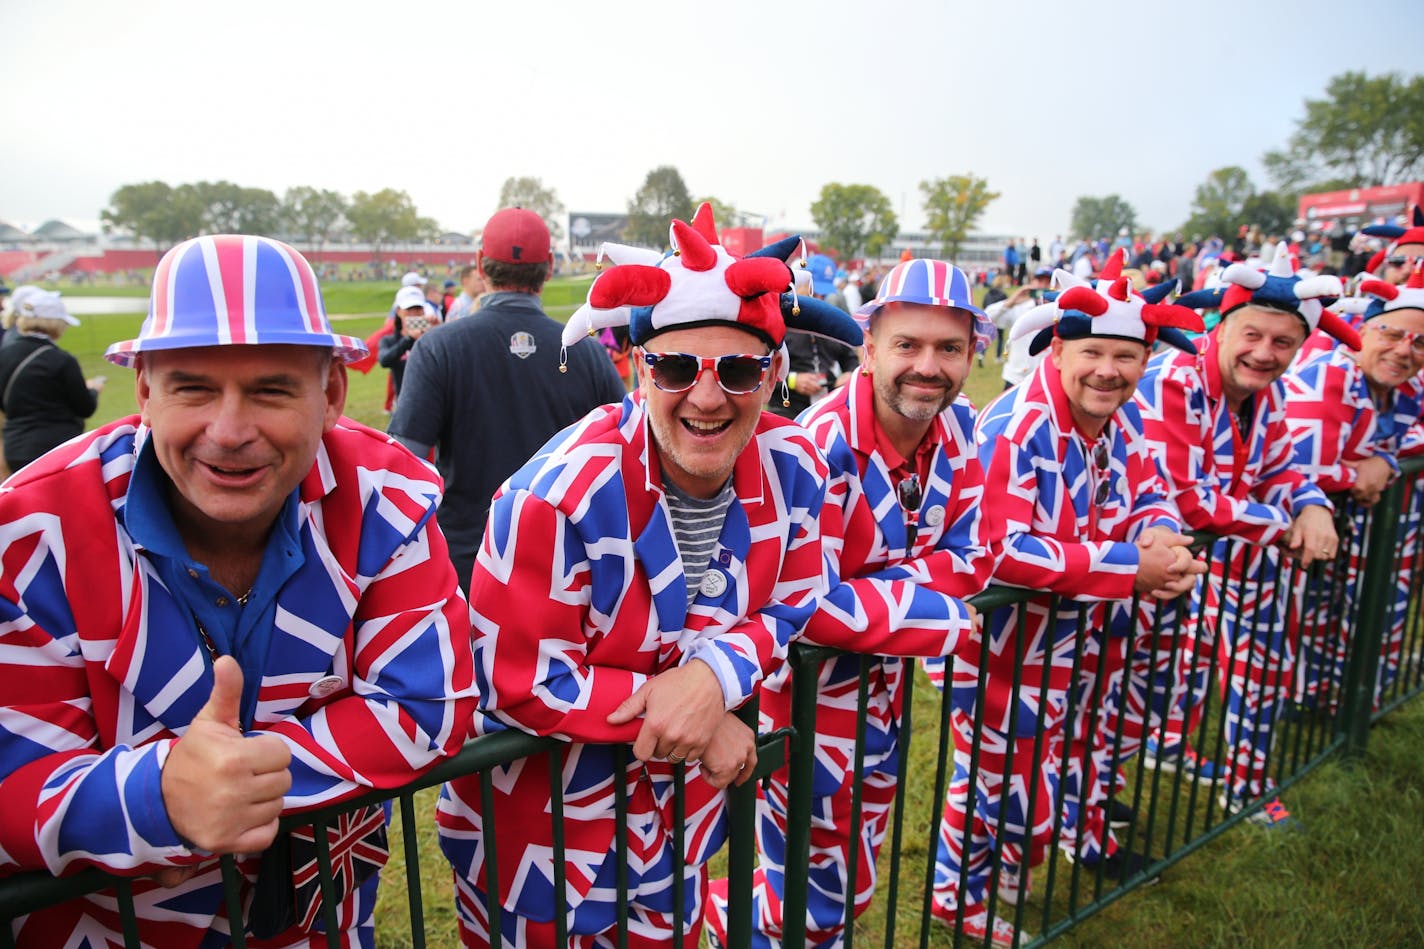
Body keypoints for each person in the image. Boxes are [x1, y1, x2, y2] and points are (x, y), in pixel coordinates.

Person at [0, 234, 476, 948]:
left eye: (270, 390)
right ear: (145, 393)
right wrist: (157, 796)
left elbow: (430, 703)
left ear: (332, 395)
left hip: (326, 923)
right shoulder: (35, 528)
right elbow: (13, 772)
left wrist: (212, 789)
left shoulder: (389, 500)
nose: (228, 431)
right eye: (193, 386)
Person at [436, 203, 865, 947]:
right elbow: (519, 677)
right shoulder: (555, 496)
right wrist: (701, 724)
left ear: (773, 375)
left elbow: (795, 603)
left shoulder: (798, 468)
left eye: (737, 369)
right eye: (675, 366)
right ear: (637, 366)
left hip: (678, 837)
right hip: (544, 845)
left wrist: (715, 678)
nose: (706, 397)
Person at [706, 258, 998, 947]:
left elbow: (975, 555)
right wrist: (944, 615)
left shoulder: (959, 432)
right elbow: (804, 601)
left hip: (884, 706)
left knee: (844, 887)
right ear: (868, 349)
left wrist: (879, 600)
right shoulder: (818, 448)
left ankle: (722, 918)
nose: (928, 366)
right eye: (908, 344)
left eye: (948, 348)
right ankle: (709, 923)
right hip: (803, 711)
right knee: (810, 904)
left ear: (971, 355)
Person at [927, 270, 1204, 946]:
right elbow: (1000, 552)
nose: (1108, 371)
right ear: (1057, 351)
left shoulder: (1124, 418)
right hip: (1000, 652)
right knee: (996, 786)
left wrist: (1161, 531)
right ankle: (952, 895)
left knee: (1052, 771)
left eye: (1126, 356)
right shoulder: (1015, 425)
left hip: (1081, 645)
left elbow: (1152, 490)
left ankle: (1003, 874)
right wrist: (1126, 568)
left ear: (1147, 359)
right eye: (1093, 353)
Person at [1127, 242, 1355, 827]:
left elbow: (1284, 466)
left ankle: (1185, 753)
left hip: (1227, 555)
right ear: (1221, 328)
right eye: (1252, 335)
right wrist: (1287, 524)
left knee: (1224, 658)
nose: (1264, 353)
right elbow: (1192, 502)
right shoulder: (1176, 380)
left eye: (1283, 343)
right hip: (1154, 554)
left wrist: (1313, 507)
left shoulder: (1266, 390)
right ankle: (1240, 786)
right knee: (1218, 666)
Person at [387, 207, 625, 592]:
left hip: (467, 560)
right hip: (564, 564)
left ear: (480, 264)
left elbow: (402, 467)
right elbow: (626, 456)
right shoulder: (588, 352)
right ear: (549, 267)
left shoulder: (438, 347)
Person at [1285, 267, 1424, 707]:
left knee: (1356, 609)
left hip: (1346, 532)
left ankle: (1344, 701)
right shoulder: (1330, 376)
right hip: (1295, 533)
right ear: (1363, 328)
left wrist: (1384, 461)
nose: (1405, 351)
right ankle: (1307, 700)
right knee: (1303, 618)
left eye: (1420, 342)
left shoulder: (1408, 386)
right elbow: (1305, 468)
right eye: (1392, 333)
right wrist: (1363, 472)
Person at [0, 290, 104, 473]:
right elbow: (85, 407)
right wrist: (93, 390)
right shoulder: (61, 360)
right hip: (56, 447)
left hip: (15, 447)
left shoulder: (4, 354)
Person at [769, 265, 859, 419]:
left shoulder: (830, 322)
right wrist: (793, 380)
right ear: (799, 286)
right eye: (815, 293)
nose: (820, 300)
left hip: (826, 410)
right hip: (787, 411)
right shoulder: (778, 322)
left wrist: (850, 374)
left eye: (824, 295)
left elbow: (850, 357)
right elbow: (761, 372)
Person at [991, 266, 1054, 389]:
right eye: (1040, 281)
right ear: (1032, 282)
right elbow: (988, 319)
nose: (1044, 286)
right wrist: (1011, 301)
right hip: (1016, 378)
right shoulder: (1019, 307)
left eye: (1049, 282)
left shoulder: (1060, 311)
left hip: (1046, 380)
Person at [378, 284, 441, 397]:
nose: (414, 313)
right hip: (404, 402)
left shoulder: (431, 338)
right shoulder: (390, 340)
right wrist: (409, 339)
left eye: (418, 309)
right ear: (398, 311)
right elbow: (384, 360)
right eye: (409, 309)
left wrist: (439, 331)